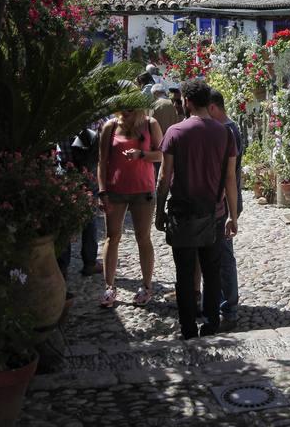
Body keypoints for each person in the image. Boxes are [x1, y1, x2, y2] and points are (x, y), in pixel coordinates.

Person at [156, 79, 238, 340]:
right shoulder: (225, 133)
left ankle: (188, 328)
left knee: (184, 273)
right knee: (212, 271)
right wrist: (233, 216)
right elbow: (230, 179)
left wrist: (159, 211)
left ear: (188, 102)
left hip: (182, 215)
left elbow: (164, 177)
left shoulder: (175, 132)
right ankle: (212, 323)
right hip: (214, 214)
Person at [97, 108, 164, 308]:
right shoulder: (109, 126)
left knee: (143, 238)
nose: (124, 113)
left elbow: (161, 155)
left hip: (143, 190)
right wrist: (102, 192)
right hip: (115, 189)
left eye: (129, 109)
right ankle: (109, 287)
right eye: (121, 108)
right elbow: (102, 161)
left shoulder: (150, 124)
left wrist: (141, 154)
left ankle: (146, 286)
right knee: (112, 236)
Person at [208, 88, 243, 331]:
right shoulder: (229, 129)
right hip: (226, 200)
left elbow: (227, 175)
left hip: (227, 201)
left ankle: (228, 307)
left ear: (212, 108)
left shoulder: (228, 131)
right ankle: (219, 301)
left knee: (224, 255)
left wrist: (230, 210)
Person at [57, 128, 102, 277]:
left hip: (64, 173)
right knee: (90, 217)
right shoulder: (92, 116)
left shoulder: (58, 119)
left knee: (64, 220)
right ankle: (89, 262)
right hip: (87, 173)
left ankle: (62, 266)